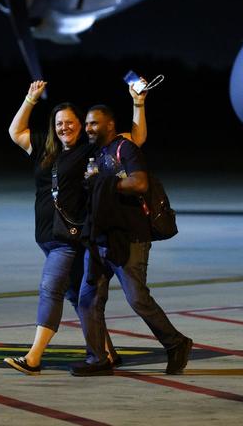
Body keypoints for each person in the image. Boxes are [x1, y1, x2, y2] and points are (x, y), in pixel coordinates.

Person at [4, 80, 148, 375]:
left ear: (81, 125)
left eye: (69, 123)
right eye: (59, 123)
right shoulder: (47, 148)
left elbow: (136, 137)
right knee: (76, 296)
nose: (63, 128)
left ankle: (33, 358)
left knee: (50, 289)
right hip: (46, 235)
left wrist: (138, 103)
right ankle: (106, 352)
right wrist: (30, 99)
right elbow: (15, 132)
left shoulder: (90, 150)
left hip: (67, 238)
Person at [70, 105, 193, 377]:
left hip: (130, 238)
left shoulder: (124, 149)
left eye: (94, 124)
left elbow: (140, 183)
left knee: (137, 298)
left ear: (110, 125)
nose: (88, 128)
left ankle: (176, 343)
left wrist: (105, 183)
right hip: (100, 237)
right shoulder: (95, 153)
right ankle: (97, 359)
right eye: (87, 124)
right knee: (88, 299)